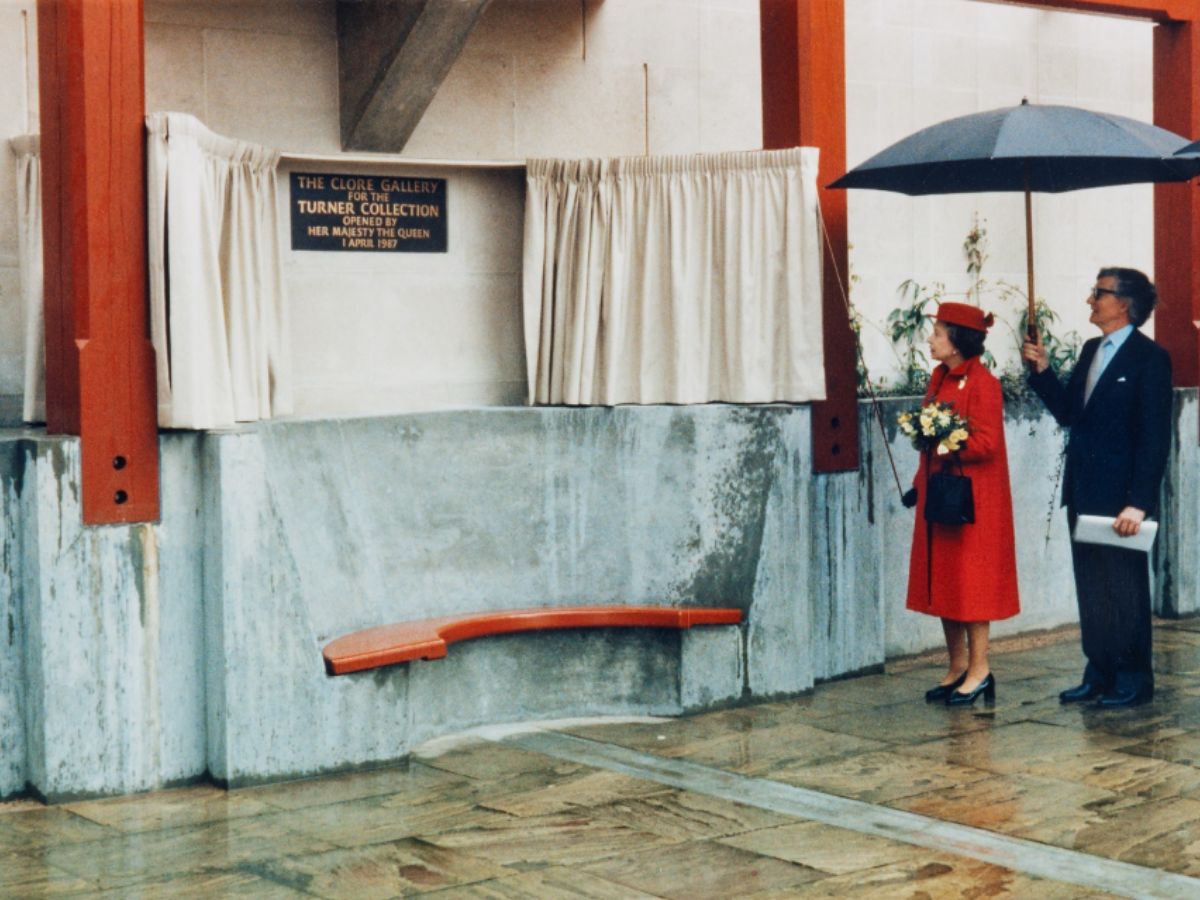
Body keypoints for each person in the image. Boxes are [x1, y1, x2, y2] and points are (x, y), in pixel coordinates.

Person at [1022, 268, 1172, 708]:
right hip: (1085, 490)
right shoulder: (1092, 349)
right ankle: (1100, 670)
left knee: (1124, 586)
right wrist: (1043, 371)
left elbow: (1154, 437)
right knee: (1092, 584)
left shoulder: (1150, 359)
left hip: (1123, 500)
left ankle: (1132, 678)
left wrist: (1139, 503)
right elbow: (1071, 413)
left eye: (1099, 293)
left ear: (1123, 303)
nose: (1090, 299)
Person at [904, 302, 1020, 706]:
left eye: (937, 333)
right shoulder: (938, 378)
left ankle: (980, 670)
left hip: (974, 501)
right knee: (946, 582)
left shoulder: (983, 383)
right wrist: (919, 482)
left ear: (957, 341)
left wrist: (945, 438)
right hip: (939, 493)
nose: (931, 340)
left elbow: (987, 443)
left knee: (973, 586)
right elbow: (927, 440)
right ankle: (956, 667)